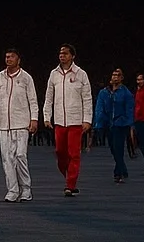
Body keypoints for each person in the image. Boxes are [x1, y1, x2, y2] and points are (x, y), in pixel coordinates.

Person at [0, 48, 38, 202]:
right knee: (7, 158)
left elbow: (33, 101)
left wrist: (34, 119)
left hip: (22, 123)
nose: (8, 59)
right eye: (7, 57)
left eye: (12, 57)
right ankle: (13, 190)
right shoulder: (0, 77)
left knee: (21, 155)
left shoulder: (26, 78)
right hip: (4, 125)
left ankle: (26, 189)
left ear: (18, 60)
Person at [42, 45, 93, 197]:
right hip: (59, 120)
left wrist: (87, 119)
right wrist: (46, 116)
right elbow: (49, 97)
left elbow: (87, 98)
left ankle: (71, 185)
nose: (61, 56)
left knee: (74, 154)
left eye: (65, 53)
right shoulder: (54, 74)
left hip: (75, 121)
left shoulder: (81, 74)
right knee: (60, 152)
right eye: (60, 53)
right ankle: (69, 176)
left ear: (73, 56)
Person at [93, 68, 134, 183]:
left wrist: (129, 123)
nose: (115, 77)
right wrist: (98, 122)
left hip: (121, 124)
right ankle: (122, 170)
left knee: (118, 148)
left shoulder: (126, 93)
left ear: (121, 78)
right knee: (113, 149)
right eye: (113, 75)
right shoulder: (104, 92)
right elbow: (99, 108)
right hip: (108, 124)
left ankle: (119, 172)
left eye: (118, 75)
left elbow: (129, 109)